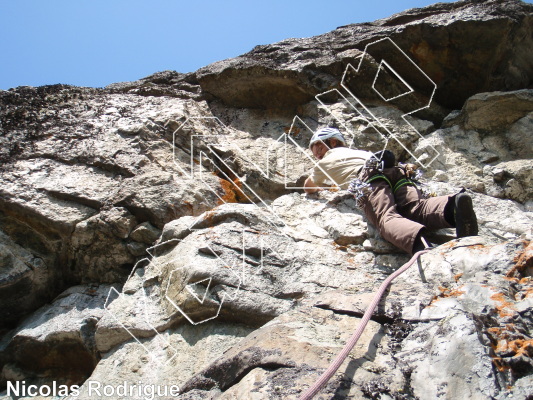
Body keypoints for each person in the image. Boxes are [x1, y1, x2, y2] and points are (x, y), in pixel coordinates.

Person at [303, 127, 478, 254]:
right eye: (314, 151)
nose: (316, 153)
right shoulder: (357, 152)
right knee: (414, 207)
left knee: (386, 219)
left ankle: (421, 245)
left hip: (369, 177)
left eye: (318, 147)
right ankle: (452, 207)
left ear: (332, 142)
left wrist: (322, 185)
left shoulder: (325, 162)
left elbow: (308, 187)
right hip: (395, 171)